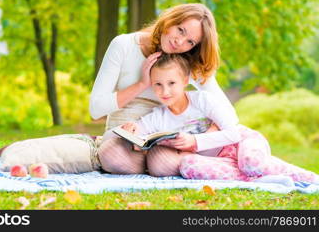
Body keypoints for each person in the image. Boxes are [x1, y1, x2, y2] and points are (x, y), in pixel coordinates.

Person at [110, 53, 319, 184]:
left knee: (250, 162)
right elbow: (139, 129)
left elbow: (234, 131)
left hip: (241, 143)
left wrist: (195, 142)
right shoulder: (159, 117)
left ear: (184, 81)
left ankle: (310, 179)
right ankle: (263, 177)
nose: (165, 91)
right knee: (188, 165)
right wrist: (132, 129)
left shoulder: (202, 100)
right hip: (218, 161)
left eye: (171, 83)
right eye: (158, 84)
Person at [90, 3, 236, 174]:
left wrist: (200, 140)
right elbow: (96, 109)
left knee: (161, 160)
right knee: (113, 157)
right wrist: (141, 85)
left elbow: (228, 114)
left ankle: (167, 165)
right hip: (127, 136)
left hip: (168, 142)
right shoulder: (124, 44)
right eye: (181, 30)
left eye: (190, 41)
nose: (179, 42)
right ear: (169, 20)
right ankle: (161, 166)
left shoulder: (188, 62)